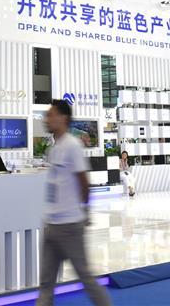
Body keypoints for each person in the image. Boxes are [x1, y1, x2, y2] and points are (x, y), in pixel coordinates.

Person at [36, 100, 111, 306]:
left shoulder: (72, 145)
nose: (47, 119)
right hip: (51, 225)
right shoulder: (55, 148)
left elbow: (83, 182)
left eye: (51, 114)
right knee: (46, 283)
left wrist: (84, 211)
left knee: (85, 278)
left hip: (70, 226)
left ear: (63, 118)